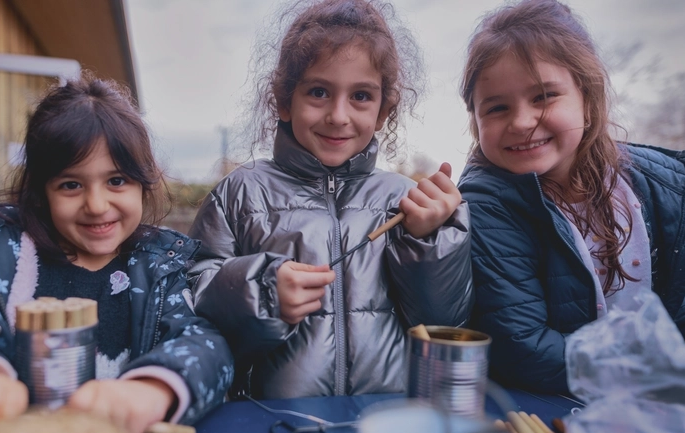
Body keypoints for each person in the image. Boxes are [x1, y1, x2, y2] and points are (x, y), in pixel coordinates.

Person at [0, 74, 233, 433]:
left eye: (116, 181)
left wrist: (156, 387)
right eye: (71, 185)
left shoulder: (159, 266)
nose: (96, 205)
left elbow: (207, 344)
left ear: (144, 183)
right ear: (42, 191)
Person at [188, 0, 473, 399]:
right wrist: (263, 290)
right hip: (269, 423)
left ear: (384, 110)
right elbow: (193, 297)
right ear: (284, 100)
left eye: (360, 96)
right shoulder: (239, 192)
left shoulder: (401, 199)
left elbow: (443, 322)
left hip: (383, 419)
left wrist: (429, 242)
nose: (339, 115)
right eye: (319, 92)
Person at [457, 0, 685, 394]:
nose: (522, 121)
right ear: (476, 121)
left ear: (588, 101)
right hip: (551, 405)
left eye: (543, 97)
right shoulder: (488, 205)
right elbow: (524, 350)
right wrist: (655, 373)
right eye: (498, 107)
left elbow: (675, 302)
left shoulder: (639, 187)